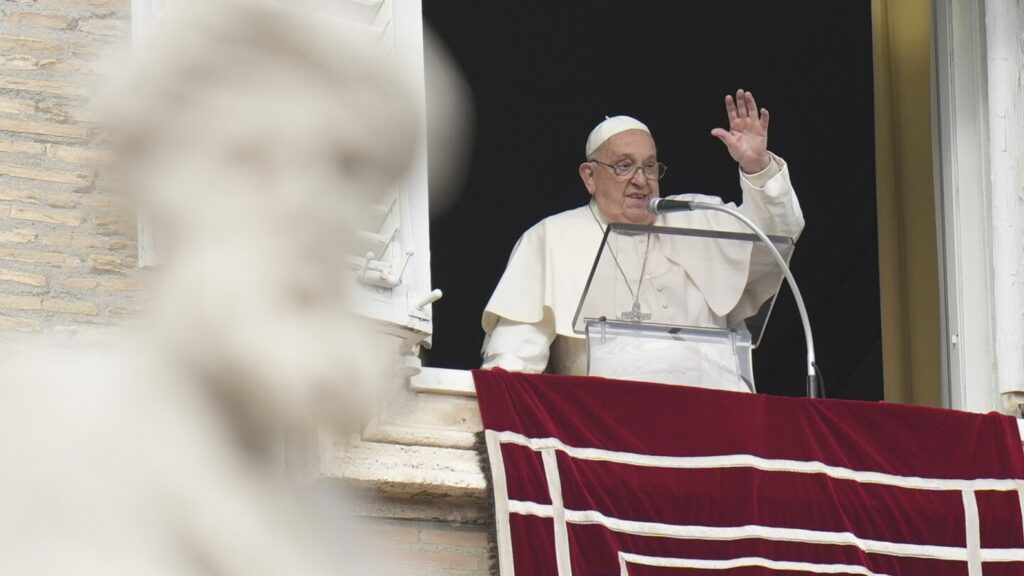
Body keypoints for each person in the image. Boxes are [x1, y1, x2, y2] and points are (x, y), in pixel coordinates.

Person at [481, 90, 804, 376]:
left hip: (715, 407)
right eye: (624, 166)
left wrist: (757, 167)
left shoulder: (699, 216)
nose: (641, 179)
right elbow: (515, 354)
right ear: (590, 176)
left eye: (650, 166)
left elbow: (777, 237)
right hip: (604, 422)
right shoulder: (550, 237)